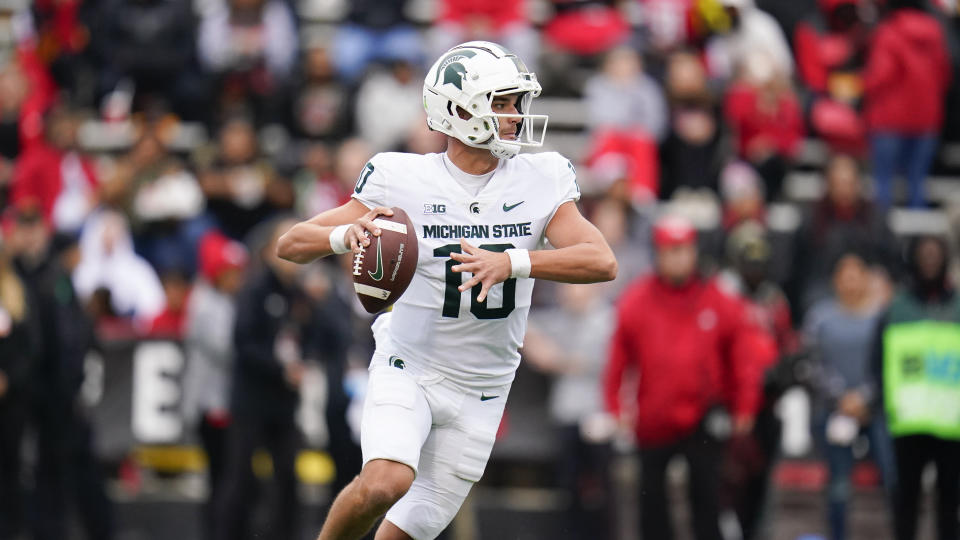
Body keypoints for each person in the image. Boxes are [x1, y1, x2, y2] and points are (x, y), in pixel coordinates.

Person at [276, 41, 617, 540]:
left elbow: (600, 260)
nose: (515, 116)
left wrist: (514, 261)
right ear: (459, 110)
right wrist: (343, 235)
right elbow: (290, 243)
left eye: (516, 103)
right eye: (500, 103)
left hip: (484, 385)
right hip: (409, 364)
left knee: (404, 534)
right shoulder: (401, 178)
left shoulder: (540, 178)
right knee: (384, 483)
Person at [603, 214, 772, 540]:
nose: (679, 258)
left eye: (684, 249)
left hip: (703, 420)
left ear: (694, 252)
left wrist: (745, 409)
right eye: (671, 250)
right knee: (651, 507)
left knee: (708, 505)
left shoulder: (718, 299)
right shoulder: (636, 301)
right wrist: (616, 410)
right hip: (653, 421)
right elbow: (617, 362)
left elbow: (742, 359)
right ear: (658, 254)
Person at [873, 235, 960, 540]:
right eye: (924, 255)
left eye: (936, 255)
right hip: (907, 422)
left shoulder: (958, 306)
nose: (930, 261)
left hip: (952, 423)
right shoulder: (896, 309)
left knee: (950, 503)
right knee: (905, 500)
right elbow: (877, 360)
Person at [804, 250, 894, 540]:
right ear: (835, 281)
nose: (851, 282)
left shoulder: (882, 319)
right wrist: (841, 396)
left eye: (857, 275)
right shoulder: (820, 318)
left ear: (867, 279)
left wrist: (865, 397)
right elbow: (812, 362)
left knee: (893, 478)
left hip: (875, 409)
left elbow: (888, 363)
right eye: (845, 276)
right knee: (839, 485)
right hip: (833, 410)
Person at [181, 230, 247, 540]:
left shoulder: (220, 300)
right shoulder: (206, 303)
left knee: (226, 477)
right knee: (221, 476)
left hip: (220, 401)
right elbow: (226, 348)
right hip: (213, 403)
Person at [863, 0, 950, 208]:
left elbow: (880, 76)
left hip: (888, 120)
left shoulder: (889, 32)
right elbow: (944, 75)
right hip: (926, 119)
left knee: (884, 184)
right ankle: (919, 239)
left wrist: (860, 84)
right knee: (917, 183)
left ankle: (882, 238)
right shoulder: (935, 33)